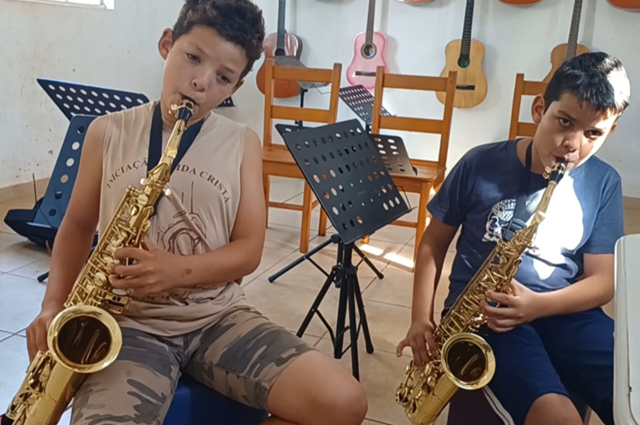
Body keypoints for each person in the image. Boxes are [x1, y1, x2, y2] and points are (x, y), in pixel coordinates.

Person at [14, 1, 368, 424]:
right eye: (193, 57)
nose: (201, 83)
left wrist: (175, 271)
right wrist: (53, 304)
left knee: (345, 402)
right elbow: (75, 227)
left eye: (223, 77)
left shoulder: (241, 142)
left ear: (236, 87)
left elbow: (249, 249)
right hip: (127, 326)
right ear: (167, 43)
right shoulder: (106, 131)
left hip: (218, 317)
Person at [396, 51, 630, 425]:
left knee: (632, 385)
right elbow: (432, 243)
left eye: (593, 134)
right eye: (564, 122)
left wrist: (538, 305)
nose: (572, 145)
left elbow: (603, 281)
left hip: (562, 308)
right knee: (558, 418)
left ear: (611, 131)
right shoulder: (479, 163)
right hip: (487, 316)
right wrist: (420, 318)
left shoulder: (603, 182)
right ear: (539, 109)